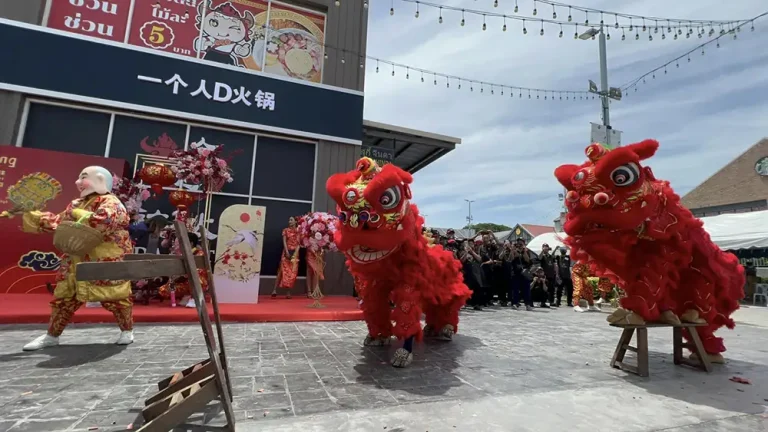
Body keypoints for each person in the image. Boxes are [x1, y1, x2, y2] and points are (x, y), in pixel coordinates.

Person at [20, 166, 134, 351]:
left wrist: (80, 215)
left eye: (84, 177)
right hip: (75, 259)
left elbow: (104, 222)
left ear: (100, 180)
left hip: (103, 259)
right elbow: (59, 222)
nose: (78, 182)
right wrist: (33, 214)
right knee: (64, 299)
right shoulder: (76, 204)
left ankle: (126, 331)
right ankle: (52, 336)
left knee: (117, 298)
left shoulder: (112, 202)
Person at [158, 232, 209, 308]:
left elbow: (199, 272)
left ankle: (195, 298)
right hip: (184, 282)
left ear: (190, 243)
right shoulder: (181, 255)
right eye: (176, 244)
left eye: (179, 243)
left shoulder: (199, 254)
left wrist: (183, 275)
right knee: (163, 290)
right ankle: (187, 296)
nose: (176, 246)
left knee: (198, 277)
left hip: (197, 281)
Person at [273, 216, 300, 299]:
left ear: (296, 221)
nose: (290, 221)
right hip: (286, 252)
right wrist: (287, 251)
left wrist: (295, 253)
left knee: (292, 273)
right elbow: (284, 242)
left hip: (295, 254)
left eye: (291, 220)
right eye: (289, 220)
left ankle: (288, 292)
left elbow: (299, 244)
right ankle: (274, 290)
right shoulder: (286, 230)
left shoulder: (299, 231)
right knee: (281, 271)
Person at [460, 240, 486, 310]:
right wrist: (466, 252)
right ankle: (463, 303)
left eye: (472, 244)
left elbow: (480, 259)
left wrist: (472, 252)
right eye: (469, 244)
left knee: (477, 288)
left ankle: (476, 304)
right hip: (467, 273)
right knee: (466, 288)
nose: (471, 246)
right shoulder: (462, 252)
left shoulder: (475, 252)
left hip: (476, 274)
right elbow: (461, 260)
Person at [510, 238, 533, 310]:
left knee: (526, 289)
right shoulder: (514, 250)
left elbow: (527, 260)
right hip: (516, 272)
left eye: (521, 243)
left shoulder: (526, 251)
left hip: (524, 273)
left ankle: (527, 304)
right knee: (515, 289)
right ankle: (515, 303)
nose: (519, 245)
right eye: (518, 243)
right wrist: (513, 250)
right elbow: (511, 259)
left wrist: (524, 251)